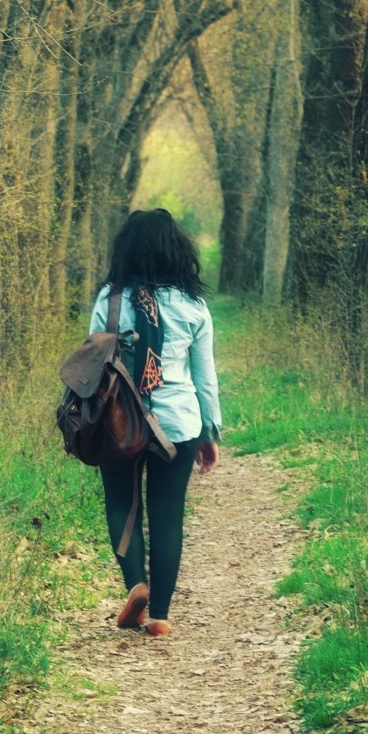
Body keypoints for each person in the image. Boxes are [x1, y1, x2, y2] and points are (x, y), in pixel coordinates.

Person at [88, 208, 222, 638]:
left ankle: (136, 585)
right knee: (168, 517)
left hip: (118, 425)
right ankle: (160, 615)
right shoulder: (193, 305)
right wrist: (211, 431)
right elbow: (205, 376)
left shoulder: (110, 299)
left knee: (121, 506)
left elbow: (91, 363)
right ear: (175, 251)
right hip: (179, 425)